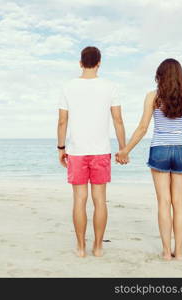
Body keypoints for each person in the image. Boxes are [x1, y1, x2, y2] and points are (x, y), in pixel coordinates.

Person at [117, 58, 182, 261]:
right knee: (179, 203)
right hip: (181, 148)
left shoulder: (153, 96)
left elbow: (143, 128)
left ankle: (165, 252)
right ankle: (179, 253)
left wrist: (126, 150)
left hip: (159, 149)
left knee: (164, 202)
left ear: (159, 75)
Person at [57, 46, 127, 257]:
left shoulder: (68, 87)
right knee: (99, 200)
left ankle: (80, 247)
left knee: (79, 199)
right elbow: (118, 120)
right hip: (100, 151)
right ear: (99, 63)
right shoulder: (110, 86)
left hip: (77, 152)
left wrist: (61, 148)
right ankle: (97, 247)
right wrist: (123, 148)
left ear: (80, 63)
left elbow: (62, 121)